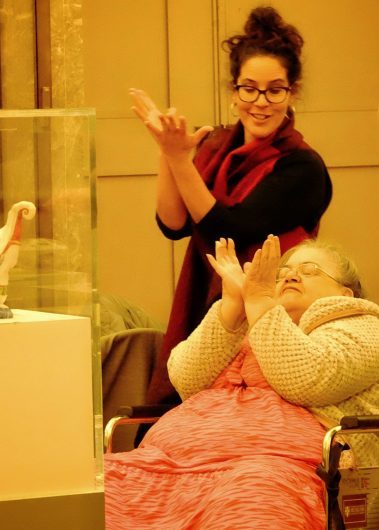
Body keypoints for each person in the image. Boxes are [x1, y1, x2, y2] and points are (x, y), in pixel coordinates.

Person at [130, 6, 333, 407]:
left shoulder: (302, 166)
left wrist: (178, 160)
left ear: (292, 92)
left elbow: (231, 228)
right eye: (249, 88)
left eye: (275, 89)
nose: (261, 102)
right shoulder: (217, 147)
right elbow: (173, 224)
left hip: (270, 317)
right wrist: (166, 152)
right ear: (234, 90)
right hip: (212, 309)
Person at [104, 235, 379, 529]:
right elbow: (185, 380)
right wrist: (232, 305)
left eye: (310, 270)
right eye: (281, 273)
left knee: (251, 502)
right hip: (167, 459)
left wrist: (261, 300)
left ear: (346, 294)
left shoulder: (363, 326)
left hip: (269, 465)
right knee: (102, 487)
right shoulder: (253, 320)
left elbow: (308, 378)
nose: (291, 276)